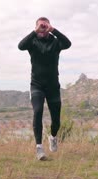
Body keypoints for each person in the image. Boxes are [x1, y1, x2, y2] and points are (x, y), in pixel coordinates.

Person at [18, 17, 71, 160]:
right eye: (40, 26)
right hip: (37, 85)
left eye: (44, 26)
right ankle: (39, 148)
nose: (42, 28)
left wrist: (53, 30)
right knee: (38, 111)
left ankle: (53, 137)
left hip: (53, 87)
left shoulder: (55, 42)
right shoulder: (32, 42)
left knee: (56, 120)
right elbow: (20, 46)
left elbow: (68, 43)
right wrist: (34, 32)